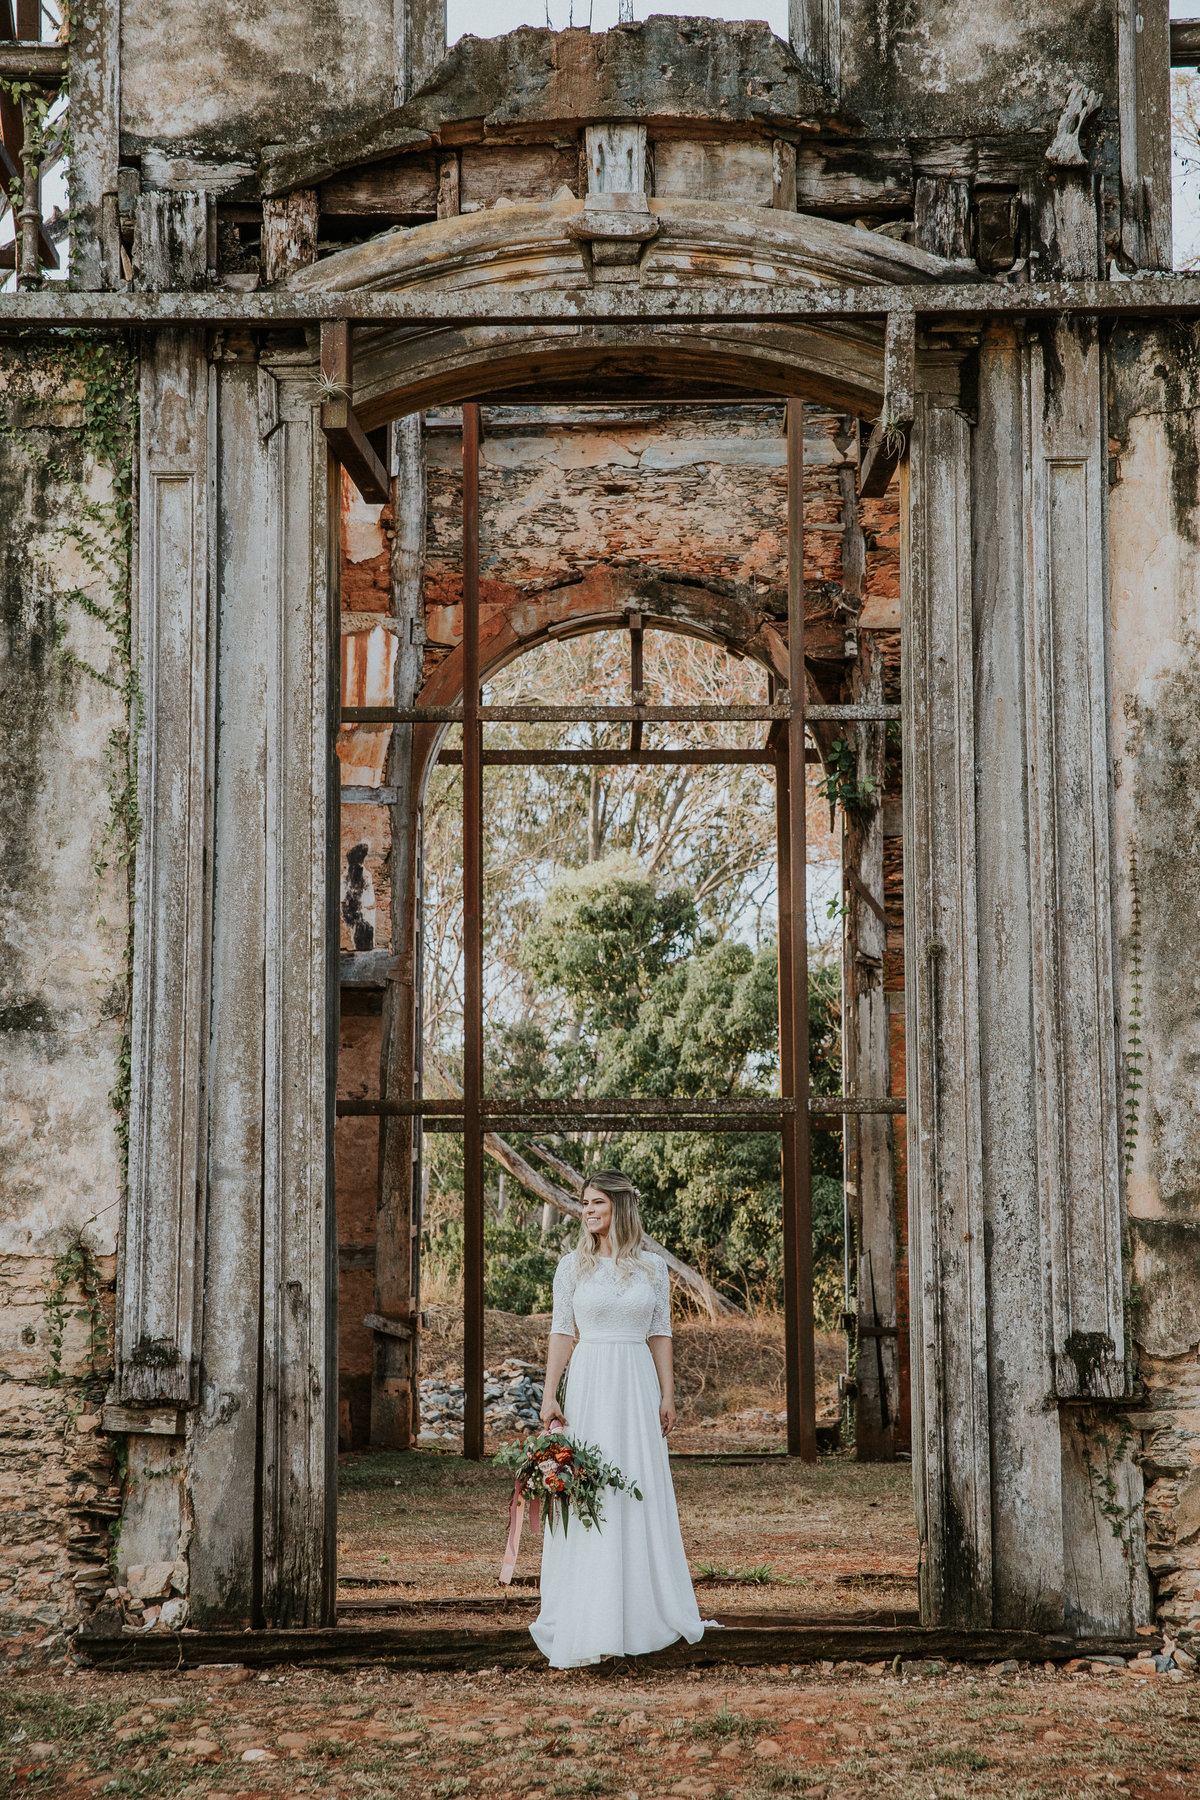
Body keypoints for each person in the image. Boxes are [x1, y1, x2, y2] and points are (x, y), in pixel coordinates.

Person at [529, 1169, 708, 1668]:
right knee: (592, 1485)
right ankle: (589, 1608)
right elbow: (562, 1332)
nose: (587, 1211)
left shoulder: (652, 1268)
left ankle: (642, 1606)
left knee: (638, 1484)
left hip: (636, 1385)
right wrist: (549, 1396)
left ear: (621, 1208)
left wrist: (668, 1394)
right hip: (589, 1383)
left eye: (596, 1203)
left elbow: (661, 1333)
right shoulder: (572, 1267)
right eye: (584, 1203)